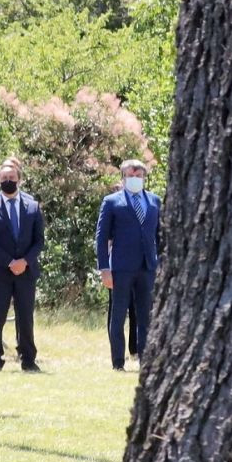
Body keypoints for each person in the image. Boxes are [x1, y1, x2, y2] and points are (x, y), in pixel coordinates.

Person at [94, 157, 162, 370]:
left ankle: (145, 360)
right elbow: (101, 236)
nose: (135, 179)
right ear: (123, 178)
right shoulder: (112, 201)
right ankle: (118, 362)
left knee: (146, 317)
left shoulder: (154, 201)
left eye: (138, 175)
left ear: (144, 177)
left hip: (147, 267)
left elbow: (160, 235)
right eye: (130, 176)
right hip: (121, 268)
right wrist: (104, 268)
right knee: (118, 316)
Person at [0, 158, 44, 371]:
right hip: (0, 271)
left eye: (12, 177)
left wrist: (24, 261)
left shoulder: (33, 207)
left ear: (19, 179)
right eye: (4, 178)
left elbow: (39, 241)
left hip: (26, 271)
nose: (8, 181)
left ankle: (28, 359)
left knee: (25, 318)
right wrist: (10, 261)